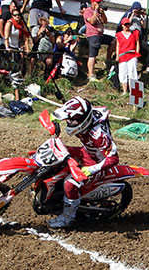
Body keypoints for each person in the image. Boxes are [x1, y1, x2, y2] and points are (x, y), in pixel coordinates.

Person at [48, 97, 119, 229]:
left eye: (71, 121)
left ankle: (68, 217)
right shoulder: (83, 113)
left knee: (70, 184)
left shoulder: (98, 135)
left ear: (82, 121)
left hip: (99, 163)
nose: (69, 123)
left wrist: (92, 169)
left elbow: (114, 158)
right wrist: (55, 119)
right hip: (86, 151)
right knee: (53, 152)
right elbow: (57, 114)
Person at [82, 0, 113, 81]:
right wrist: (95, 10)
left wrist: (102, 12)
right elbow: (92, 21)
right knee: (93, 54)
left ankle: (108, 60)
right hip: (93, 35)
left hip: (100, 35)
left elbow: (105, 21)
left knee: (114, 41)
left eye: (100, 2)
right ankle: (91, 74)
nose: (99, 4)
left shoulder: (99, 11)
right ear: (93, 3)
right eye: (97, 2)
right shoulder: (88, 11)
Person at [115, 17, 140, 93]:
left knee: (132, 72)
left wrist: (137, 53)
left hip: (132, 54)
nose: (127, 26)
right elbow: (118, 46)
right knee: (123, 72)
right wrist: (117, 56)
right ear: (122, 25)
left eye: (128, 24)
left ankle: (133, 91)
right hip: (122, 55)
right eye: (125, 24)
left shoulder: (134, 33)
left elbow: (137, 43)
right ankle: (125, 91)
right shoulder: (119, 35)